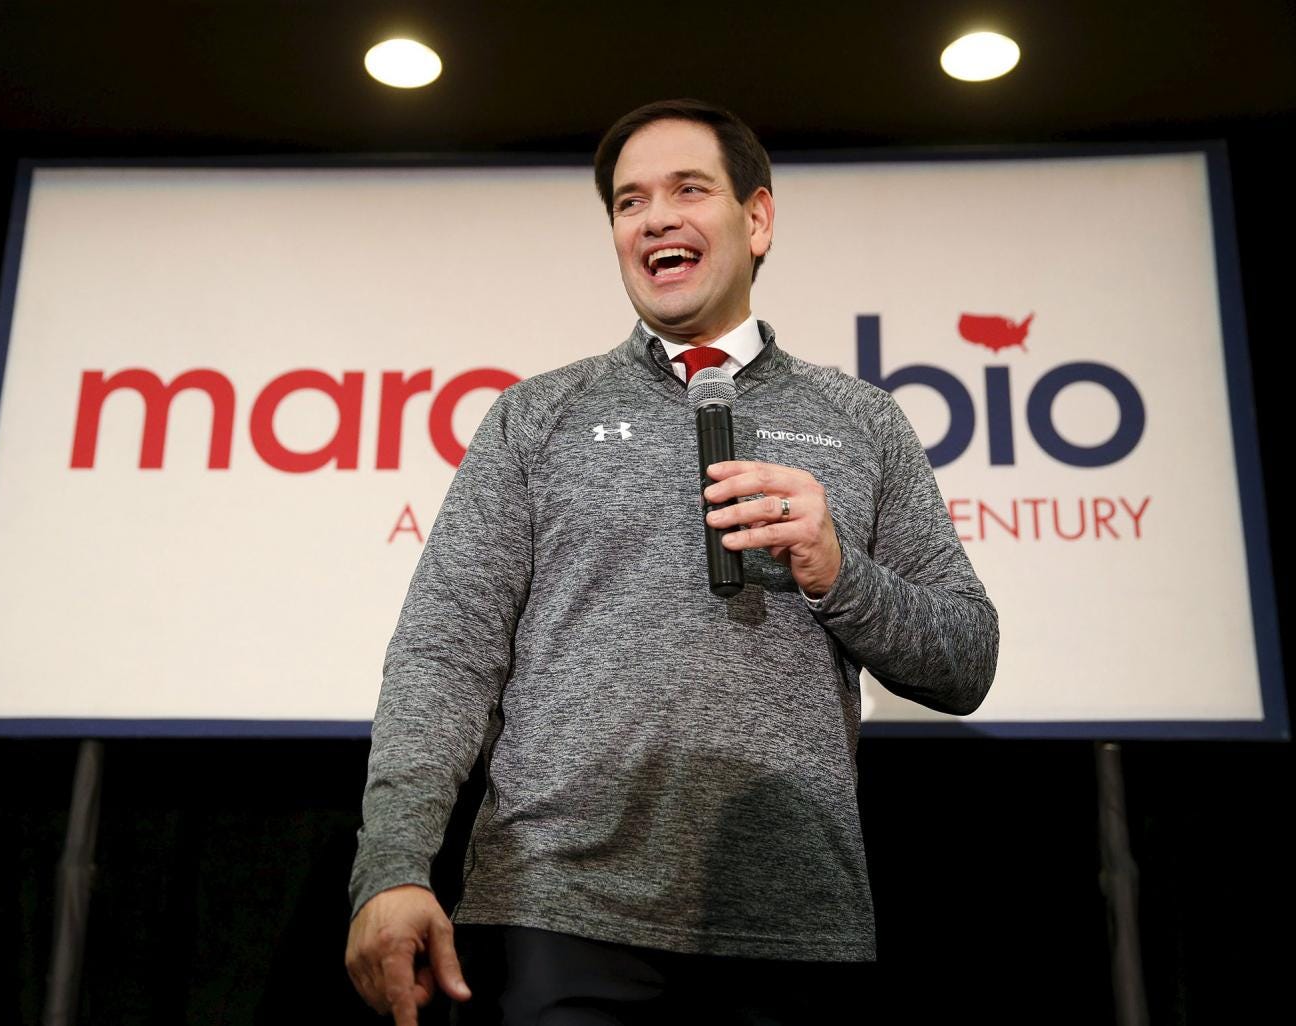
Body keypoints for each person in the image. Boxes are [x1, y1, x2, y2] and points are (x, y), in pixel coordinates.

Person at [345, 98, 998, 1025]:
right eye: (628, 202)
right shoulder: (537, 417)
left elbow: (968, 658)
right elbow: (443, 656)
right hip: (556, 914)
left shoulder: (864, 422)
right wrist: (394, 867)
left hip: (791, 928)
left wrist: (836, 570)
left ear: (757, 218)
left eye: (689, 190)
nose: (654, 218)